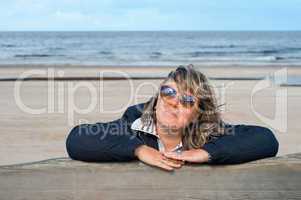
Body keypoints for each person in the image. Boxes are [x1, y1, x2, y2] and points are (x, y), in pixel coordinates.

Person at [66, 65, 279, 171]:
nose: (173, 103)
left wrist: (206, 152)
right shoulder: (131, 126)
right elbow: (77, 139)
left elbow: (266, 139)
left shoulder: (210, 133)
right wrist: (139, 150)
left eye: (187, 101)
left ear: (198, 114)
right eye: (168, 93)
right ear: (158, 96)